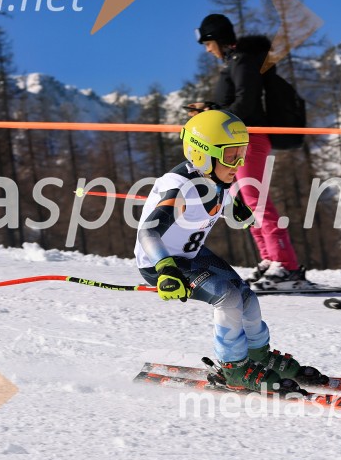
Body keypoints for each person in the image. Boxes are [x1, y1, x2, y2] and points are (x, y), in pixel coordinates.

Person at [134, 109, 326, 391]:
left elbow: (217, 205)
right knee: (227, 297)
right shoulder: (178, 187)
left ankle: (259, 354)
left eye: (241, 154)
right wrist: (165, 270)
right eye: (230, 155)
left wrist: (235, 209)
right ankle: (233, 368)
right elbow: (148, 232)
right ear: (202, 154)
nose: (238, 163)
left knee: (245, 295)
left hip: (191, 254)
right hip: (161, 262)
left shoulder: (217, 177)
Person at [194, 13, 310, 291]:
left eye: (208, 43)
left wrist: (216, 114)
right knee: (242, 206)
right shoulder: (234, 61)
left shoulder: (243, 59)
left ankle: (287, 265)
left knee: (256, 201)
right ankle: (270, 259)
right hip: (233, 140)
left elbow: (247, 102)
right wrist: (211, 109)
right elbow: (236, 99)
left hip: (249, 138)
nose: (207, 49)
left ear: (219, 40)